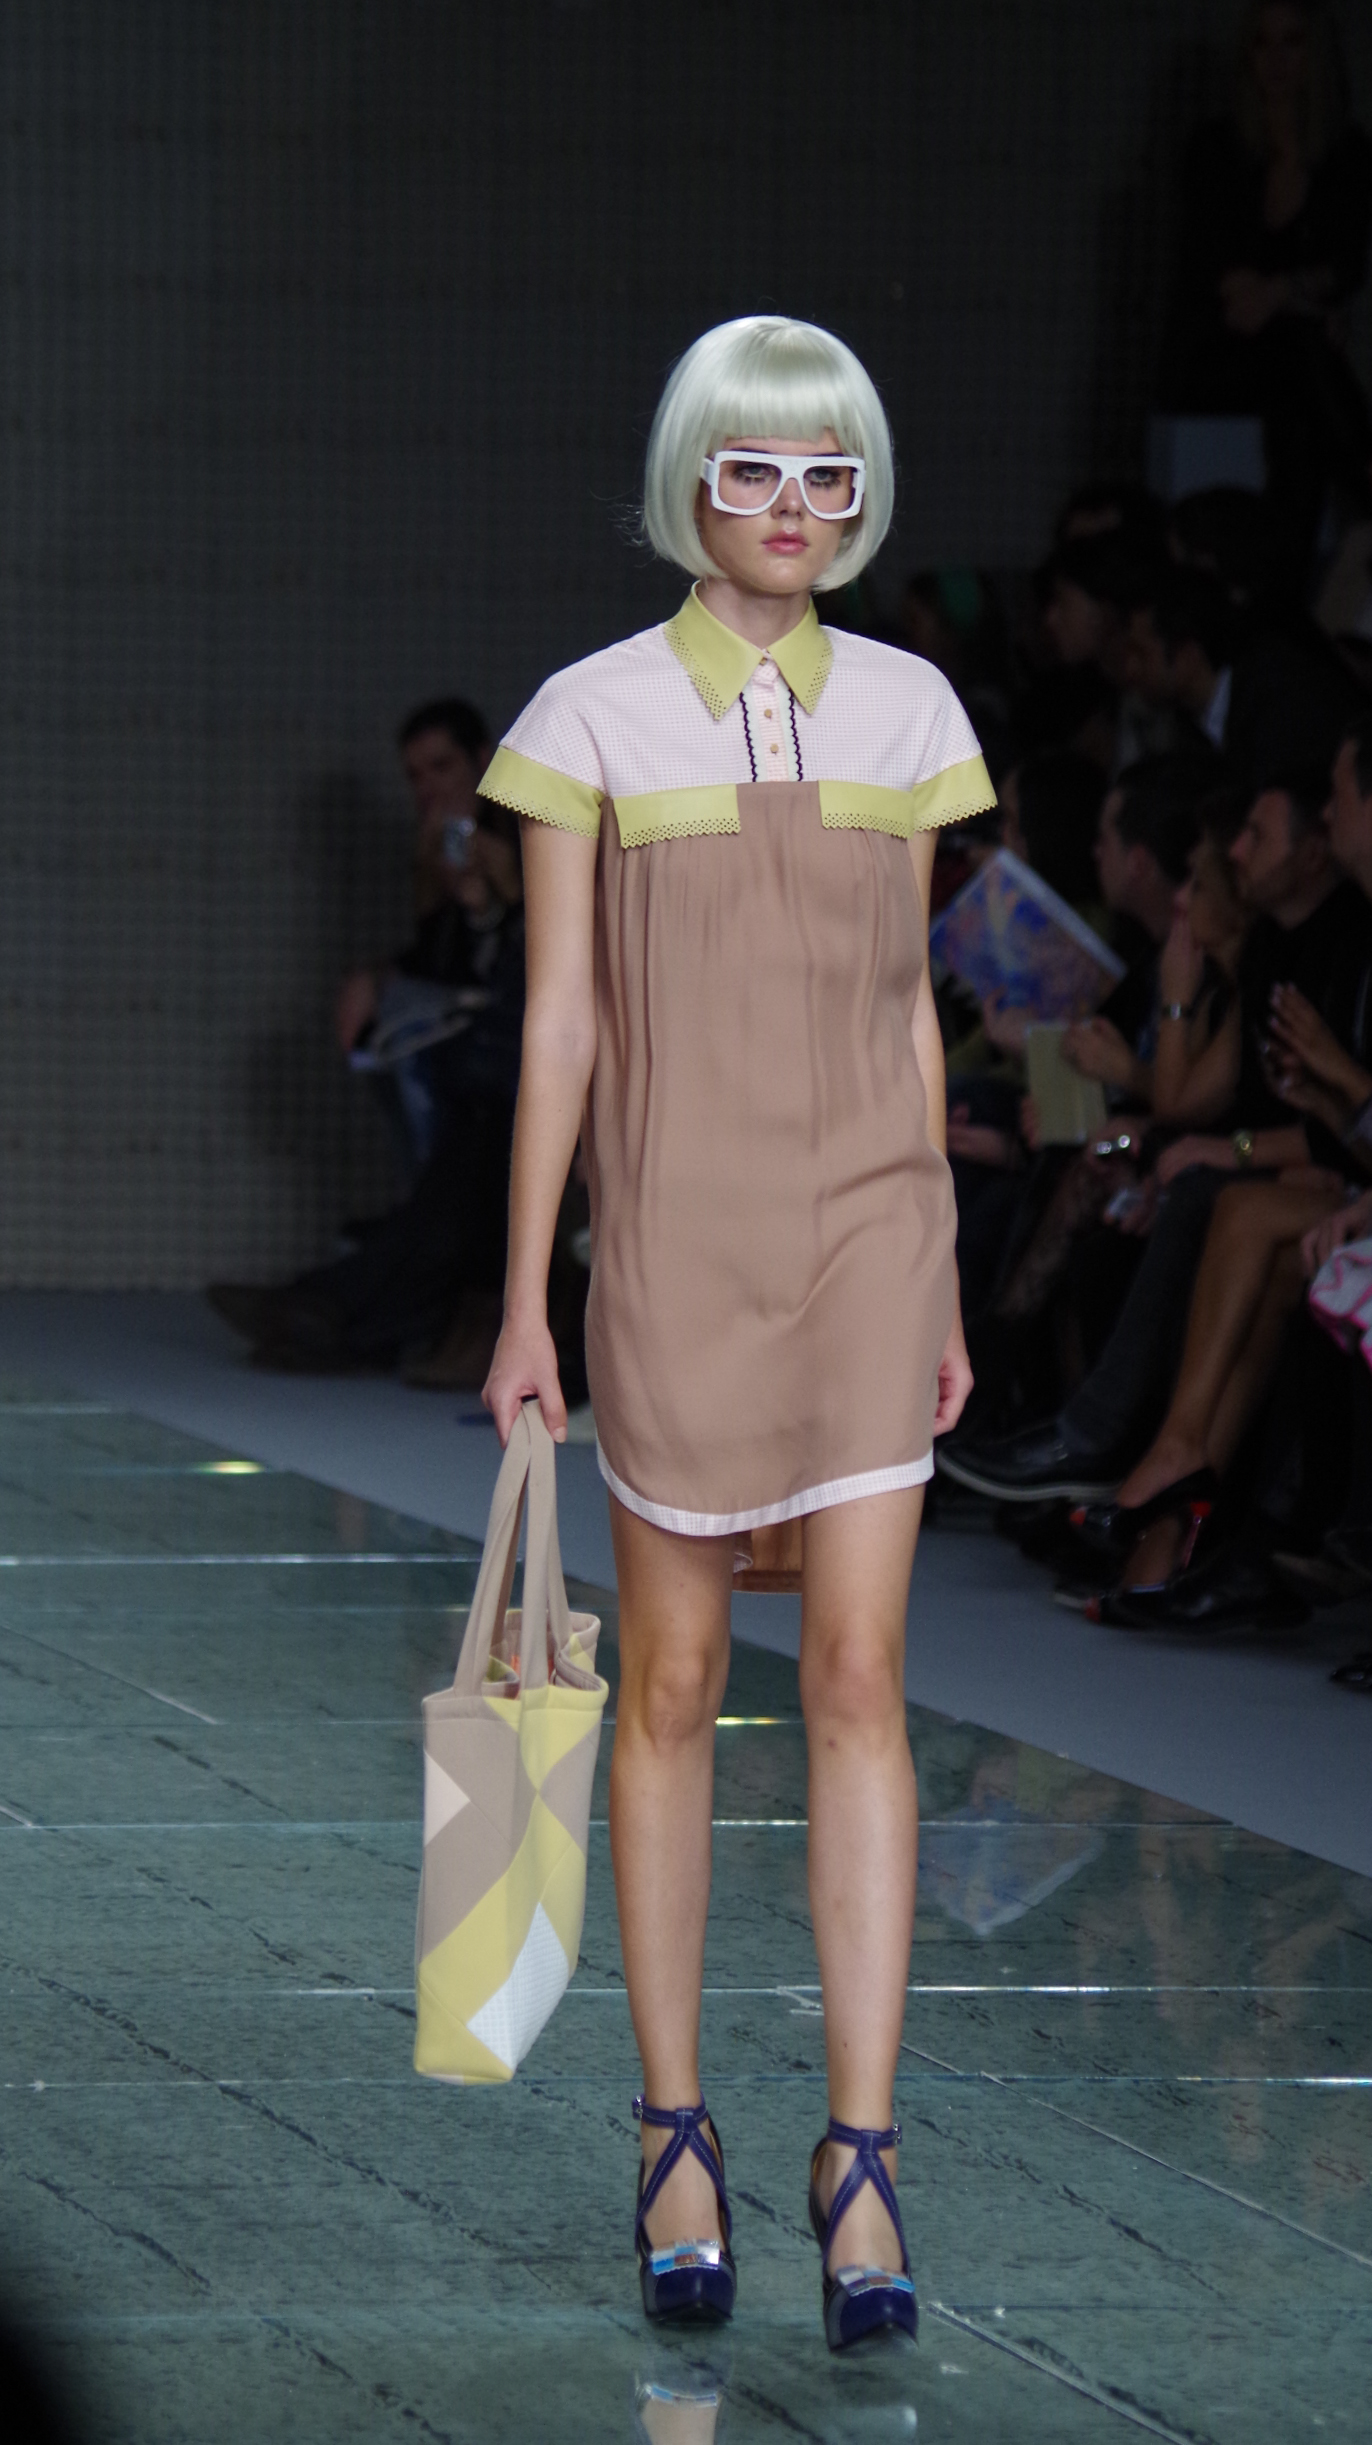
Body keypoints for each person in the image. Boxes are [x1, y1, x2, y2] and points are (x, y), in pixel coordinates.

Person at [478, 316, 989, 2350]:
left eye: (828, 472)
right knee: (673, 1684)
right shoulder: (588, 716)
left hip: (873, 1232)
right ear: (690, 480)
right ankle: (672, 2130)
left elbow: (910, 1006)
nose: (793, 506)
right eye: (756, 468)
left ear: (860, 495)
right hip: (673, 1240)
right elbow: (560, 1025)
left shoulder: (914, 710)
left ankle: (860, 2160)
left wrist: (943, 1264)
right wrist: (525, 1297)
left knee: (859, 1674)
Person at [941, 762, 1372, 1501]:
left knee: (1170, 1197)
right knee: (1098, 1178)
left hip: (1283, 1179)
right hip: (1245, 1168)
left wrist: (1174, 1003)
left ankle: (1110, 1456)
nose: (1183, 898)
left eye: (1199, 884)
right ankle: (1066, 1435)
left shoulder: (1305, 954)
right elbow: (1201, 1109)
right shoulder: (1266, 962)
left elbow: (1198, 1108)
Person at [208, 703, 527, 1378]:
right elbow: (442, 972)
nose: (429, 789)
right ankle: (329, 1317)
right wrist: (430, 913)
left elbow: (552, 970)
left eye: (441, 767)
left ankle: (326, 1310)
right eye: (415, 776)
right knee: (458, 1179)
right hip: (478, 1084)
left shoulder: (532, 838)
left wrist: (511, 892)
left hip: (522, 1082)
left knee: (472, 1169)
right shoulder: (444, 855)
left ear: (482, 760)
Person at [1159, 0, 1372, 586]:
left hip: (1292, 367)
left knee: (1300, 409)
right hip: (1219, 359)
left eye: (1292, 42)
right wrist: (1299, 297)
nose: (1276, 59)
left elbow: (1345, 266)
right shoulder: (1216, 149)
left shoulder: (1346, 154)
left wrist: (1284, 294)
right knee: (1301, 347)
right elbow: (1226, 286)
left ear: (1316, 54)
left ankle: (1282, 587)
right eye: (1262, 42)